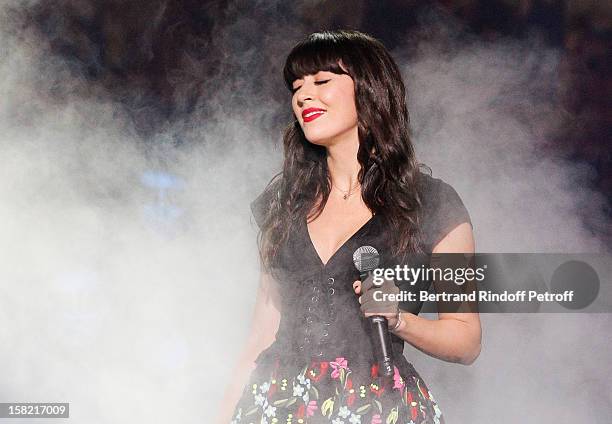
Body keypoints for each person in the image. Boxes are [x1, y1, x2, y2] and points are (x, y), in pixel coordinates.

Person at [217, 30, 481, 424]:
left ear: (370, 90)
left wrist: (398, 320)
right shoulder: (283, 204)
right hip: (279, 405)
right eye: (297, 86)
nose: (304, 95)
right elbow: (261, 332)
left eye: (321, 81)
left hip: (376, 406)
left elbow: (466, 338)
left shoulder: (432, 204)